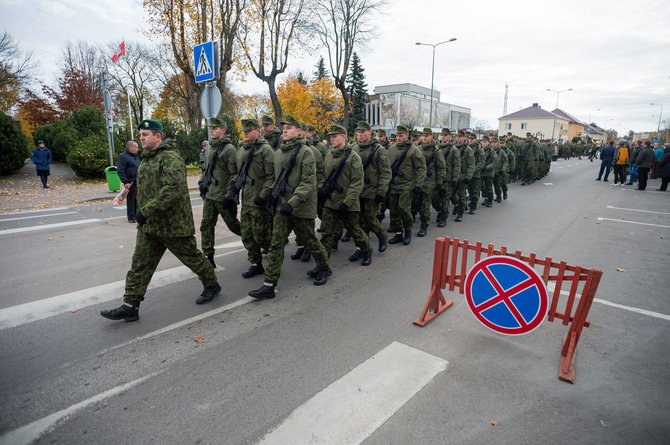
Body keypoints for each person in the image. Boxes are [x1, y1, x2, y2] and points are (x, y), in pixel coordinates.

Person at [100, 120, 221, 322]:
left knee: (193, 258)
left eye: (145, 134)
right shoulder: (147, 159)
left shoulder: (170, 158)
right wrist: (128, 197)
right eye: (140, 134)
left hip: (173, 225)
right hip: (150, 226)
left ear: (158, 136)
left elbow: (172, 190)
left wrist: (145, 211)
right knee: (140, 264)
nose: (141, 138)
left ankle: (212, 285)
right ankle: (131, 304)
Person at [248, 115, 331, 300]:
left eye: (290, 127)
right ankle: (269, 284)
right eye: (284, 127)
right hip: (282, 207)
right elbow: (276, 179)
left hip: (301, 207)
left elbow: (308, 182)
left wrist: (292, 203)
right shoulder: (278, 153)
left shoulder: (306, 152)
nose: (285, 130)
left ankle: (324, 267)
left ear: (299, 131)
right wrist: (269, 192)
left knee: (310, 240)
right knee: (276, 244)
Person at [319, 124, 372, 265]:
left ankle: (366, 250)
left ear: (344, 137)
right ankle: (323, 265)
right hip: (330, 201)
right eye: (331, 137)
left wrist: (347, 202)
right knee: (326, 234)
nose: (332, 139)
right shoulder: (329, 155)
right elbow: (325, 176)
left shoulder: (353, 157)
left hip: (348, 203)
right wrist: (320, 190)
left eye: (335, 136)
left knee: (354, 230)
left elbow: (357, 182)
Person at [198, 117, 242, 268]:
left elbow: (234, 174)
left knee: (234, 226)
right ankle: (208, 256)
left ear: (223, 130)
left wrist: (229, 196)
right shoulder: (210, 147)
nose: (212, 131)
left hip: (223, 196)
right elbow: (207, 169)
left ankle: (257, 243)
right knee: (206, 226)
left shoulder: (229, 149)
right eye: (211, 128)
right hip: (211, 195)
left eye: (215, 128)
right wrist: (201, 182)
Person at [235, 118, 275, 279]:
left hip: (259, 200)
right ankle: (255, 264)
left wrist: (263, 195)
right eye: (244, 131)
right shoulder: (242, 150)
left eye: (248, 131)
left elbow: (272, 176)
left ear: (257, 131)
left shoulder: (265, 150)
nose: (245, 133)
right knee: (247, 235)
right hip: (247, 199)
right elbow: (238, 173)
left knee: (261, 236)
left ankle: (274, 261)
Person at [352, 121, 390, 253]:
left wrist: (382, 191)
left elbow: (386, 173)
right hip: (357, 191)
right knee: (359, 221)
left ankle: (381, 235)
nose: (360, 134)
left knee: (370, 219)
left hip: (372, 191)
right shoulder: (354, 148)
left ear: (369, 132)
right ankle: (362, 247)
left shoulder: (379, 150)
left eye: (363, 132)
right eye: (358, 132)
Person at [387, 125, 426, 245]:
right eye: (397, 135)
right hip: (393, 185)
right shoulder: (391, 149)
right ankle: (398, 233)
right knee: (393, 211)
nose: (399, 138)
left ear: (407, 135)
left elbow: (421, 168)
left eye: (401, 135)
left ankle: (408, 231)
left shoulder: (414, 150)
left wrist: (418, 185)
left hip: (407, 186)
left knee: (404, 209)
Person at [416, 128, 445, 236]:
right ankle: (437, 211)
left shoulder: (436, 151)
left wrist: (439, 182)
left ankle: (424, 227)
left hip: (430, 182)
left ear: (431, 137)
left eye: (427, 135)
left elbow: (441, 168)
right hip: (419, 181)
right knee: (417, 204)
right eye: (423, 135)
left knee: (425, 205)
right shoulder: (417, 149)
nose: (424, 137)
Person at [453, 130, 475, 222]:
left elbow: (471, 165)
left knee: (461, 194)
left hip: (463, 175)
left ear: (464, 138)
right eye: (457, 136)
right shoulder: (452, 147)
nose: (458, 138)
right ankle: (458, 205)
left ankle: (460, 213)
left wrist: (468, 177)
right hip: (453, 175)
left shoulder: (467, 149)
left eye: (460, 136)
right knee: (451, 195)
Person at [117, 140, 141, 223]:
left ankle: (137, 215)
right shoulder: (123, 156)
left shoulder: (135, 156)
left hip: (138, 182)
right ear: (130, 148)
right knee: (131, 200)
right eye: (136, 147)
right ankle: (131, 217)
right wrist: (125, 182)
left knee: (138, 200)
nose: (138, 149)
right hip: (130, 182)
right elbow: (120, 171)